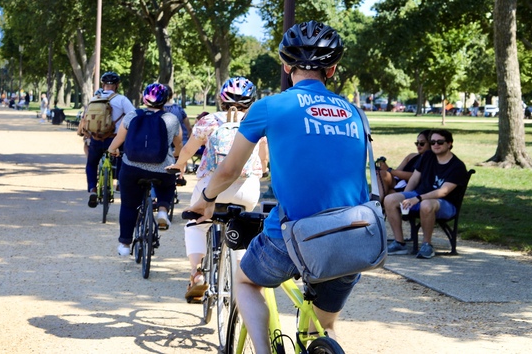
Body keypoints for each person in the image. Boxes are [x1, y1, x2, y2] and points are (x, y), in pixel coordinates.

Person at [186, 20, 368, 352]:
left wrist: (207, 199)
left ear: (286, 66)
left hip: (296, 232)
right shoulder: (354, 112)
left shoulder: (269, 107)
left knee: (245, 281)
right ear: (333, 69)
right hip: (356, 234)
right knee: (323, 326)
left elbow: (228, 170)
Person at [168, 77, 267, 302]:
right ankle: (243, 276)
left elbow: (187, 151)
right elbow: (264, 157)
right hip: (246, 189)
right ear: (251, 101)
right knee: (244, 230)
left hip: (212, 186)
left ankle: (197, 275)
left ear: (221, 100)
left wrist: (179, 166)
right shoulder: (257, 122)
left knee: (196, 225)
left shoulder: (209, 122)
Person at [107, 83, 182, 256]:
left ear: (144, 98)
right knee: (168, 184)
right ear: (165, 100)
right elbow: (178, 144)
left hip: (132, 167)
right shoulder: (171, 119)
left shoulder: (132, 115)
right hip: (162, 168)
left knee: (128, 205)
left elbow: (119, 139)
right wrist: (176, 157)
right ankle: (163, 210)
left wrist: (112, 149)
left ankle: (125, 244)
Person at [384, 128, 470, 259]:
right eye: (433, 142)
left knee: (426, 205)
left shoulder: (457, 166)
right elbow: (414, 179)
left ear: (450, 144)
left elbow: (443, 192)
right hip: (419, 196)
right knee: (390, 199)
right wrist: (404, 199)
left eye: (440, 142)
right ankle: (399, 243)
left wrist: (417, 199)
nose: (435, 145)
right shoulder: (428, 156)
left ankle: (427, 245)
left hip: (445, 204)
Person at [79, 72, 136, 208]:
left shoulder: (94, 99)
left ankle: (92, 189)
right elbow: (134, 116)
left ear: (103, 85)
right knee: (125, 159)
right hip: (115, 139)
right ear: (117, 85)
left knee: (91, 163)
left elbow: (86, 117)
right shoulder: (121, 100)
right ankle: (120, 184)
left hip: (96, 138)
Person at [377, 129, 431, 201]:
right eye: (417, 143)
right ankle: (376, 201)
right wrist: (384, 169)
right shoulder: (412, 156)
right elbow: (396, 172)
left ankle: (377, 203)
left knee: (389, 193)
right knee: (381, 173)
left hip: (413, 187)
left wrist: (389, 169)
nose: (418, 146)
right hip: (400, 183)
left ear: (431, 144)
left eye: (422, 143)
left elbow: (414, 176)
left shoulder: (430, 160)